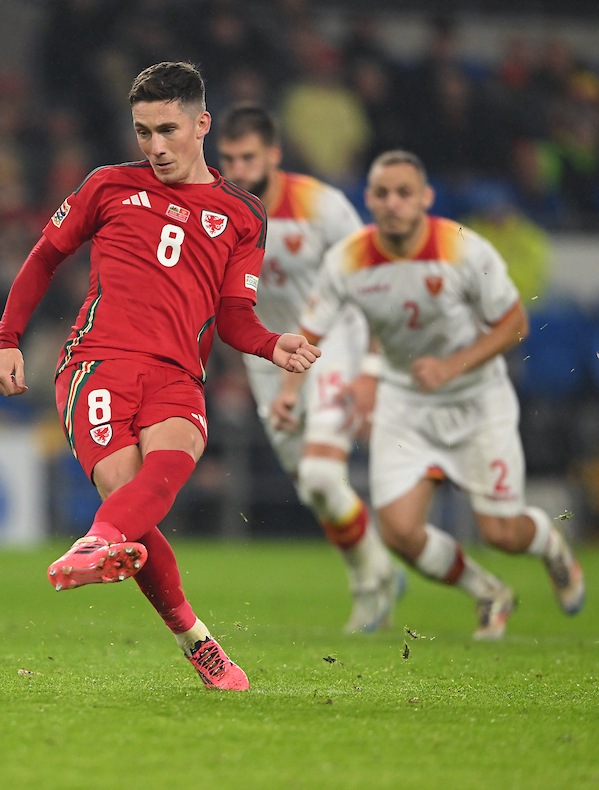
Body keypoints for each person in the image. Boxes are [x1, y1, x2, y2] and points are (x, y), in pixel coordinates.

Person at [0, 62, 320, 690]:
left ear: (202, 124)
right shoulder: (108, 185)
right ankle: (197, 640)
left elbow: (234, 316)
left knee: (159, 478)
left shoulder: (243, 214)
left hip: (177, 374)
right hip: (96, 363)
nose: (155, 147)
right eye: (143, 132)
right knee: (127, 501)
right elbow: (44, 257)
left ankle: (96, 542)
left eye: (168, 130)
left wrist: (273, 344)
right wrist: (6, 340)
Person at [275, 150, 585, 640]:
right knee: (399, 532)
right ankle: (488, 592)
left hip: (476, 399)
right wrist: (290, 391)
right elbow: (311, 330)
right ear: (369, 199)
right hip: (406, 402)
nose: (393, 203)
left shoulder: (464, 248)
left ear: (426, 198)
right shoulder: (348, 259)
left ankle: (551, 544)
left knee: (501, 533)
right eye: (383, 193)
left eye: (404, 193)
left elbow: (514, 323)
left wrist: (450, 366)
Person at [216, 104, 403, 633]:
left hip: (332, 345)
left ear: (274, 154)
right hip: (267, 358)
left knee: (322, 476)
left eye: (249, 157)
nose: (238, 169)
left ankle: (369, 585)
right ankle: (378, 568)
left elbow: (373, 281)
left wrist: (370, 367)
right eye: (229, 159)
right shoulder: (217, 212)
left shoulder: (322, 206)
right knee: (313, 488)